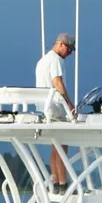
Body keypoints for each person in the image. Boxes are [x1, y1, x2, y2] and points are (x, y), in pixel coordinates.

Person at [35, 32, 76, 194]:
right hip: (56, 108)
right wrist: (69, 103)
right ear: (60, 44)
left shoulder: (43, 60)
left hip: (44, 109)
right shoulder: (55, 60)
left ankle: (57, 182)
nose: (70, 53)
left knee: (55, 148)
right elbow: (57, 82)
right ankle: (64, 183)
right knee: (62, 146)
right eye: (69, 49)